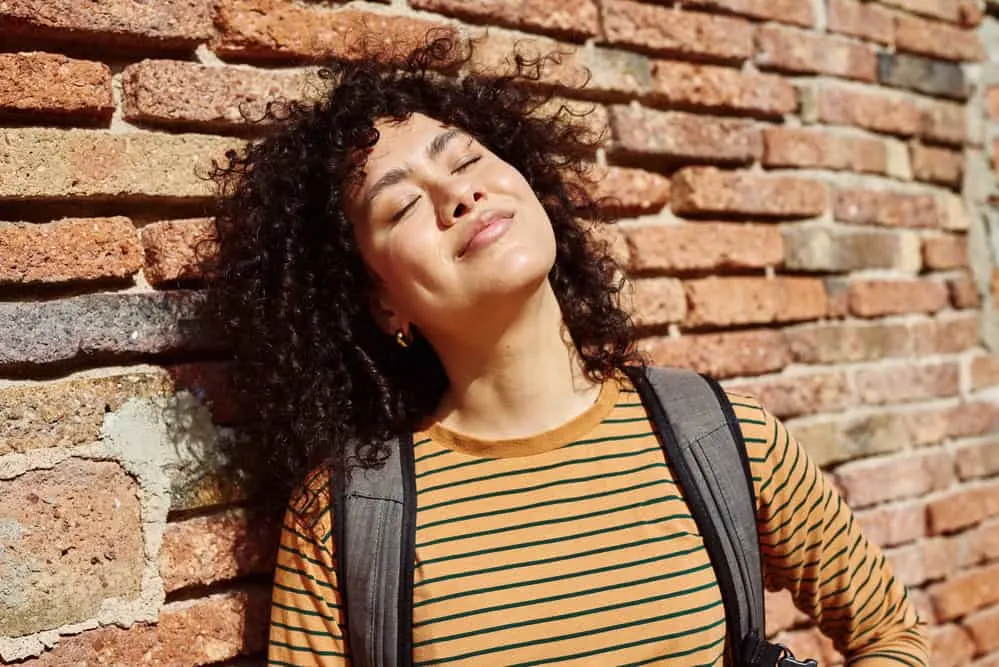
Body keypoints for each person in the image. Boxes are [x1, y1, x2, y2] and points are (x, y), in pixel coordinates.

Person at [208, 35, 929, 666]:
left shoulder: (723, 438)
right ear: (381, 301)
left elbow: (892, 633)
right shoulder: (345, 515)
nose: (458, 197)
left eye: (466, 161)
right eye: (400, 206)